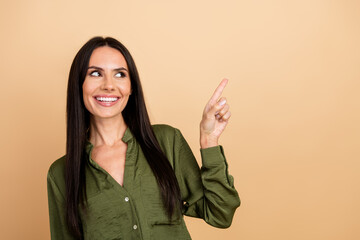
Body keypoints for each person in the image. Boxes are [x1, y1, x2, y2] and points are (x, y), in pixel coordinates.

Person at [47, 36, 240, 240]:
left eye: (120, 74)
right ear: (79, 85)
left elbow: (221, 213)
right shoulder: (61, 174)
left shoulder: (166, 141)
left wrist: (209, 140)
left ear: (131, 87)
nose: (109, 85)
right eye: (95, 73)